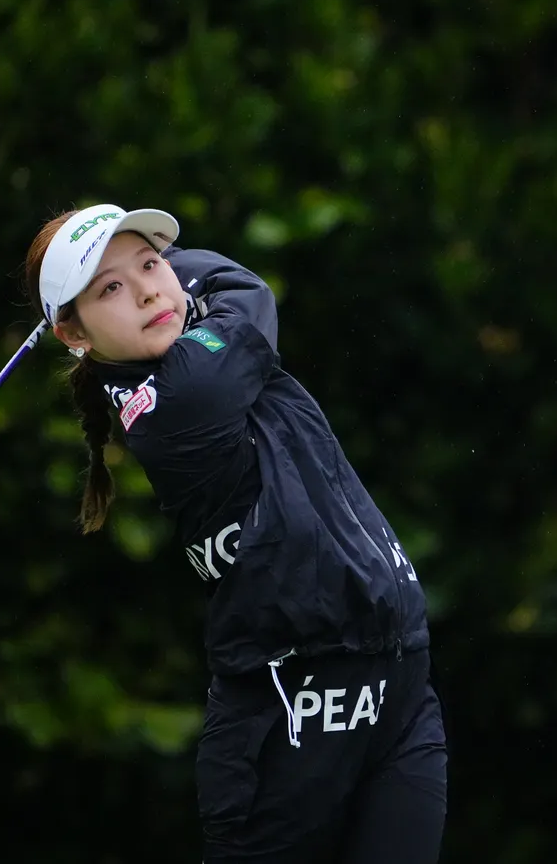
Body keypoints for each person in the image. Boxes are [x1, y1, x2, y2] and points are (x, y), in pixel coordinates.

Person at [23, 203, 448, 863]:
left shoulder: (195, 349)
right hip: (288, 714)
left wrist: (139, 267)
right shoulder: (179, 399)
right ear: (73, 333)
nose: (146, 292)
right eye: (110, 289)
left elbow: (211, 292)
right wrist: (165, 269)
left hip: (398, 689)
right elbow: (246, 290)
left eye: (150, 265)